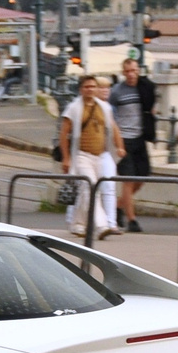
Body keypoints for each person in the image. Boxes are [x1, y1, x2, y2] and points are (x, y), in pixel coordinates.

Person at [59, 73, 125, 240]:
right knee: (91, 187)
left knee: (86, 191)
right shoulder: (74, 108)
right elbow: (64, 133)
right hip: (82, 155)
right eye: (87, 87)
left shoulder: (104, 107)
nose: (90, 89)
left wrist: (119, 146)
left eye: (93, 86)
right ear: (81, 89)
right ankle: (101, 225)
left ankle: (77, 224)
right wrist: (66, 158)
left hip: (101, 155)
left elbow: (113, 127)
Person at [109, 57, 158, 232]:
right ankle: (132, 220)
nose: (131, 75)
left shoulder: (143, 88)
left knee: (142, 176)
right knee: (128, 180)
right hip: (123, 139)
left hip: (140, 138)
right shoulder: (117, 91)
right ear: (123, 72)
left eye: (134, 71)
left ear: (139, 71)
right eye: (128, 71)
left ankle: (118, 205)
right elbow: (109, 112)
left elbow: (150, 104)